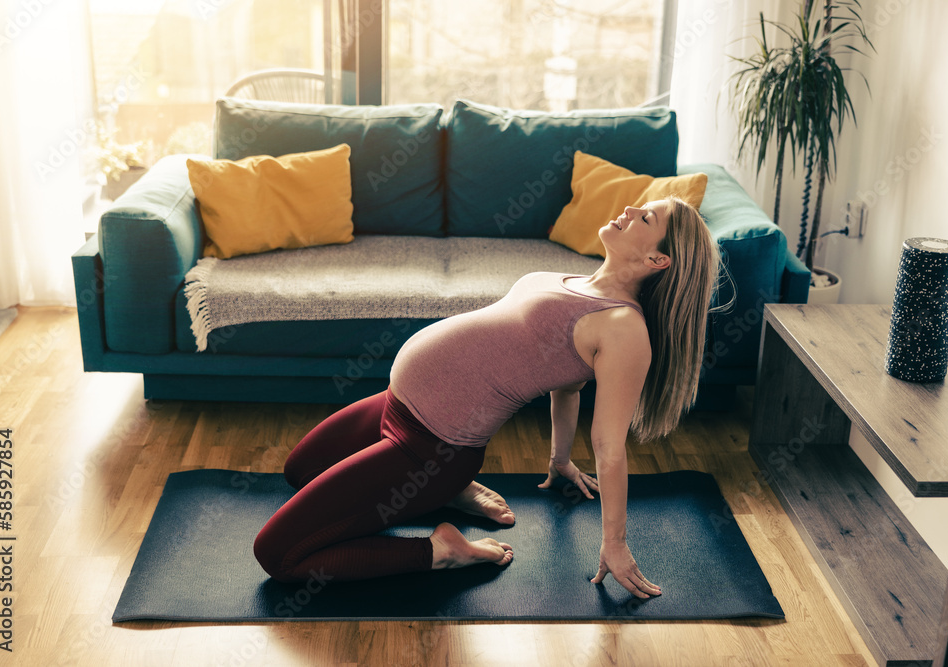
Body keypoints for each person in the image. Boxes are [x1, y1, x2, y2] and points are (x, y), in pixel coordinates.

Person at [253, 194, 722, 599]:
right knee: (300, 470)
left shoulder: (624, 329)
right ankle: (449, 495)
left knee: (279, 555)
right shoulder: (579, 282)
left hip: (430, 449)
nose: (631, 208)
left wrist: (615, 542)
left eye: (646, 219)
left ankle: (442, 551)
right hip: (394, 405)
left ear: (658, 261)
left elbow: (609, 446)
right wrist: (560, 459)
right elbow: (567, 383)